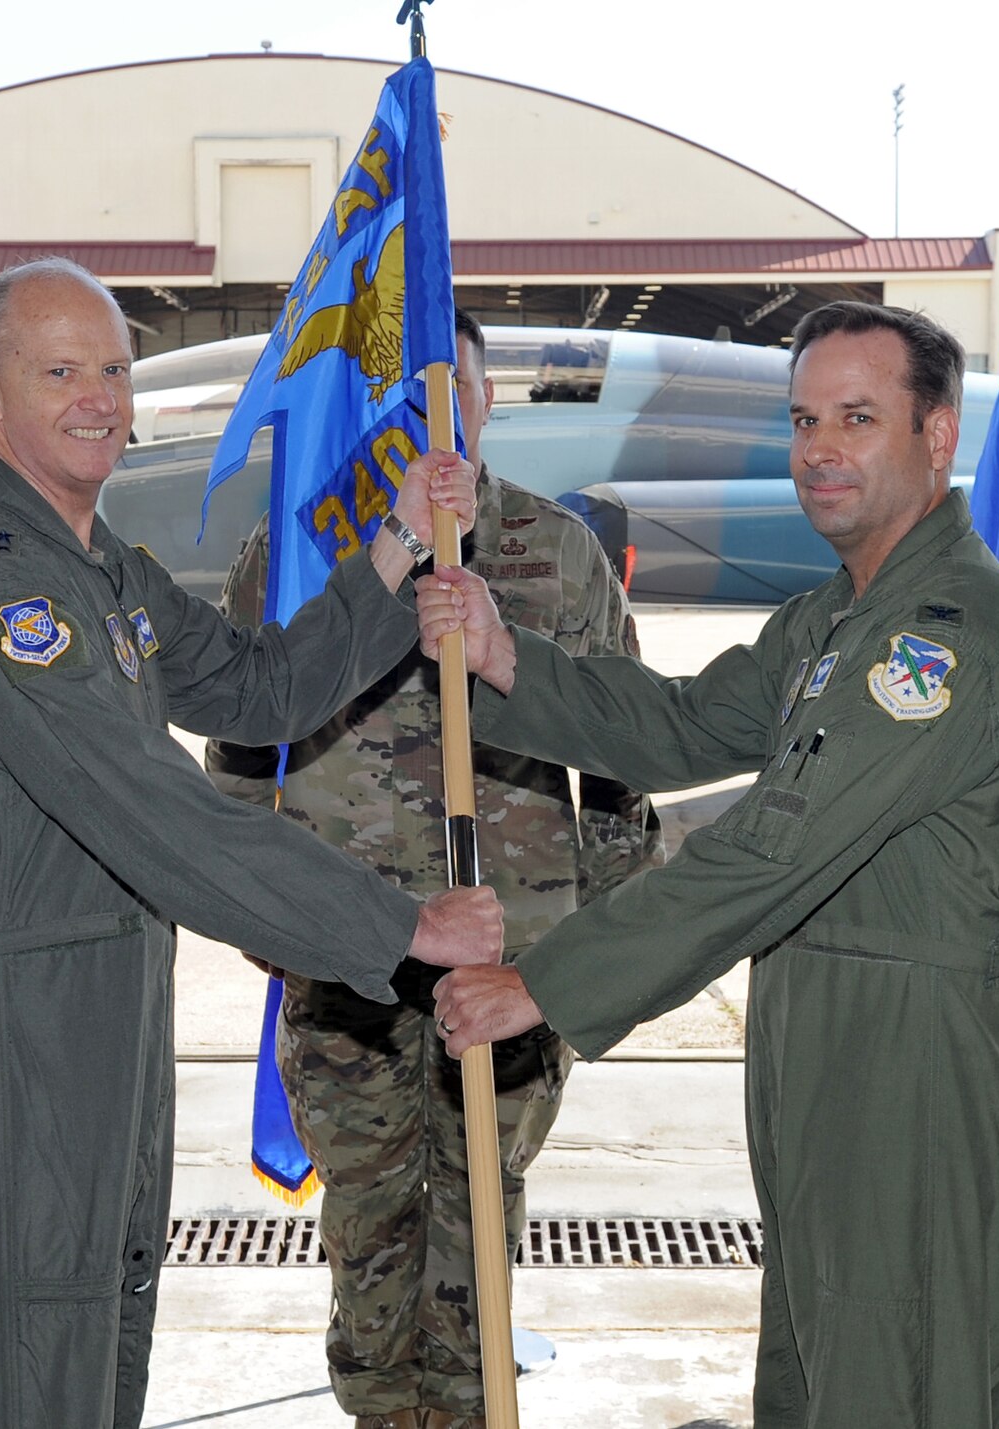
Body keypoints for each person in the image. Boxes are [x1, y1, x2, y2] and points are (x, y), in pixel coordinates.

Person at [421, 300, 999, 1428]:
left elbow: (772, 847)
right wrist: (503, 654)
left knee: (890, 1379)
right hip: (823, 1038)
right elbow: (676, 725)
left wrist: (543, 984)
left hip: (912, 1059)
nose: (818, 447)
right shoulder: (832, 619)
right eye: (804, 418)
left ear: (936, 435)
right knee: (814, 1372)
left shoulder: (944, 638)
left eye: (857, 418)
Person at [0, 257, 503, 1429]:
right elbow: (162, 815)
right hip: (19, 1032)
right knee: (34, 1364)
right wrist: (400, 926)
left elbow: (259, 689)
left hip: (109, 1012)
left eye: (113, 369)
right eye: (58, 370)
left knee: (94, 1340)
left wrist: (391, 547)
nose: (97, 397)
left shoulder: (100, 569)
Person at [206, 307, 665, 1429]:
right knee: (369, 1252)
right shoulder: (299, 552)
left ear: (487, 397)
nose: (429, 419)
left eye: (447, 389)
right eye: (403, 399)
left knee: (476, 1255)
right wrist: (268, 924)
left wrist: (593, 963)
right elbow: (232, 758)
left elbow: (621, 764)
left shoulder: (555, 554)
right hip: (349, 971)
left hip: (505, 981)